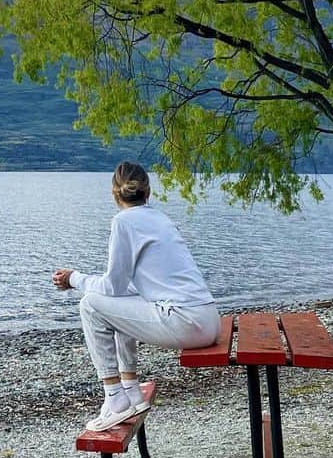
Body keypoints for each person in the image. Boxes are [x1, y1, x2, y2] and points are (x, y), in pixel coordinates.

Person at [53, 161, 221, 431]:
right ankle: (130, 388)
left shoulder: (123, 221)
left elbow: (112, 287)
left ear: (114, 194)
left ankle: (114, 397)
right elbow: (127, 291)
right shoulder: (160, 219)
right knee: (116, 306)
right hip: (209, 320)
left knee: (90, 305)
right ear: (148, 192)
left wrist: (74, 279)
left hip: (186, 323)